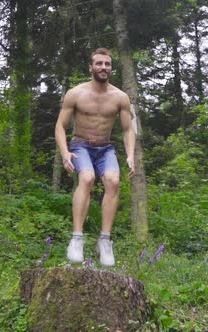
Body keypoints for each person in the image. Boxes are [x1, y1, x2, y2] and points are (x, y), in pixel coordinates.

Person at [55, 47, 135, 267]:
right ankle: (77, 238)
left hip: (105, 148)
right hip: (80, 145)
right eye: (99, 63)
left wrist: (130, 156)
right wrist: (64, 153)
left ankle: (105, 241)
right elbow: (60, 126)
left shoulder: (120, 97)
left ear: (111, 68)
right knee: (87, 178)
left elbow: (128, 129)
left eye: (107, 64)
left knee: (113, 181)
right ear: (90, 67)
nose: (103, 67)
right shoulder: (76, 93)